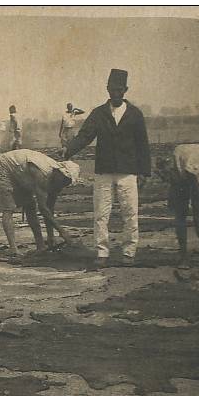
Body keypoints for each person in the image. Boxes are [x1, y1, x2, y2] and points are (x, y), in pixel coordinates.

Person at [63, 68, 151, 269]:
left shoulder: (135, 115)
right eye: (112, 89)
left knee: (130, 213)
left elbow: (142, 145)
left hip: (128, 172)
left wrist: (145, 172)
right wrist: (67, 151)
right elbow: (85, 136)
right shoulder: (98, 114)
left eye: (119, 89)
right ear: (107, 90)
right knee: (101, 214)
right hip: (104, 171)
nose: (115, 93)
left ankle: (129, 253)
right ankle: (102, 253)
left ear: (125, 90)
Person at [0, 149, 81, 256]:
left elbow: (50, 208)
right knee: (8, 208)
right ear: (59, 173)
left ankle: (40, 245)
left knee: (30, 205)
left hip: (23, 171)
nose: (63, 185)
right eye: (64, 181)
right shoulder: (42, 174)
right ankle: (13, 249)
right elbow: (43, 208)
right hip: (6, 165)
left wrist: (51, 237)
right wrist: (62, 232)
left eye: (67, 183)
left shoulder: (59, 181)